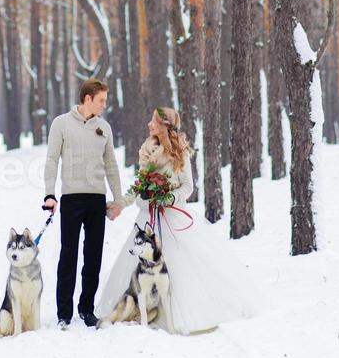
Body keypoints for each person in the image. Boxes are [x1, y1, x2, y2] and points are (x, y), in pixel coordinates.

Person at [98, 106, 266, 334]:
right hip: (148, 217)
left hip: (173, 215)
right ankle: (140, 309)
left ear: (165, 126)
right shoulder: (146, 150)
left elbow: (187, 186)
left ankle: (181, 314)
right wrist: (128, 202)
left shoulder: (180, 152)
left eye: (154, 122)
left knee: (180, 263)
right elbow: (139, 187)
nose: (149, 125)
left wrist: (168, 198)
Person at [43, 78, 123, 329]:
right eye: (101, 100)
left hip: (96, 199)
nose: (104, 105)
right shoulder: (61, 124)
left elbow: (111, 164)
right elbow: (51, 160)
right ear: (87, 99)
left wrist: (118, 199)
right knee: (68, 255)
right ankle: (63, 313)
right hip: (71, 198)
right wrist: (49, 194)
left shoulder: (104, 128)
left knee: (93, 256)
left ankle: (87, 309)